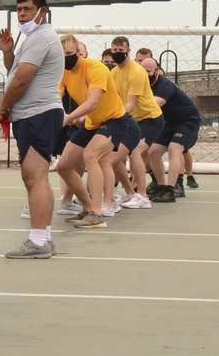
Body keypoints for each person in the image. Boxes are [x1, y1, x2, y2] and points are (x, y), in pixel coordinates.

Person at [0, 0, 63, 258]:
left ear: (41, 11)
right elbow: (15, 72)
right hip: (34, 114)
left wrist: (2, 107)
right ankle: (43, 237)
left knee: (33, 176)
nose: (22, 14)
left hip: (38, 114)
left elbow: (22, 80)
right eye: (19, 9)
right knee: (39, 177)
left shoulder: (40, 37)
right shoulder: (31, 38)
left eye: (27, 9)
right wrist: (8, 53)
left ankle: (37, 242)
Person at [56, 33, 131, 229]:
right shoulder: (63, 71)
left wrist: (68, 118)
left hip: (114, 120)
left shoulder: (95, 68)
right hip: (92, 123)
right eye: (62, 54)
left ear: (80, 53)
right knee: (63, 166)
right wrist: (54, 113)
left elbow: (92, 102)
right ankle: (88, 208)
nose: (67, 58)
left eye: (71, 53)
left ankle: (97, 213)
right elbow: (57, 94)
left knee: (91, 156)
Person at [110, 36, 162, 210]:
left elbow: (130, 105)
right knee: (116, 154)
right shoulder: (114, 73)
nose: (118, 53)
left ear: (129, 51)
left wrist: (113, 118)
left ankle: (142, 195)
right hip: (132, 121)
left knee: (135, 152)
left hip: (150, 118)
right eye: (114, 50)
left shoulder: (137, 72)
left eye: (121, 50)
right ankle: (129, 192)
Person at [142, 57, 202, 202]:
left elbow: (158, 102)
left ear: (156, 71)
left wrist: (133, 105)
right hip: (169, 123)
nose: (145, 75)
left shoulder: (165, 85)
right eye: (142, 72)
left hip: (188, 121)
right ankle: (161, 187)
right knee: (153, 152)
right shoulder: (142, 84)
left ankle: (171, 189)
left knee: (174, 148)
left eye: (148, 71)